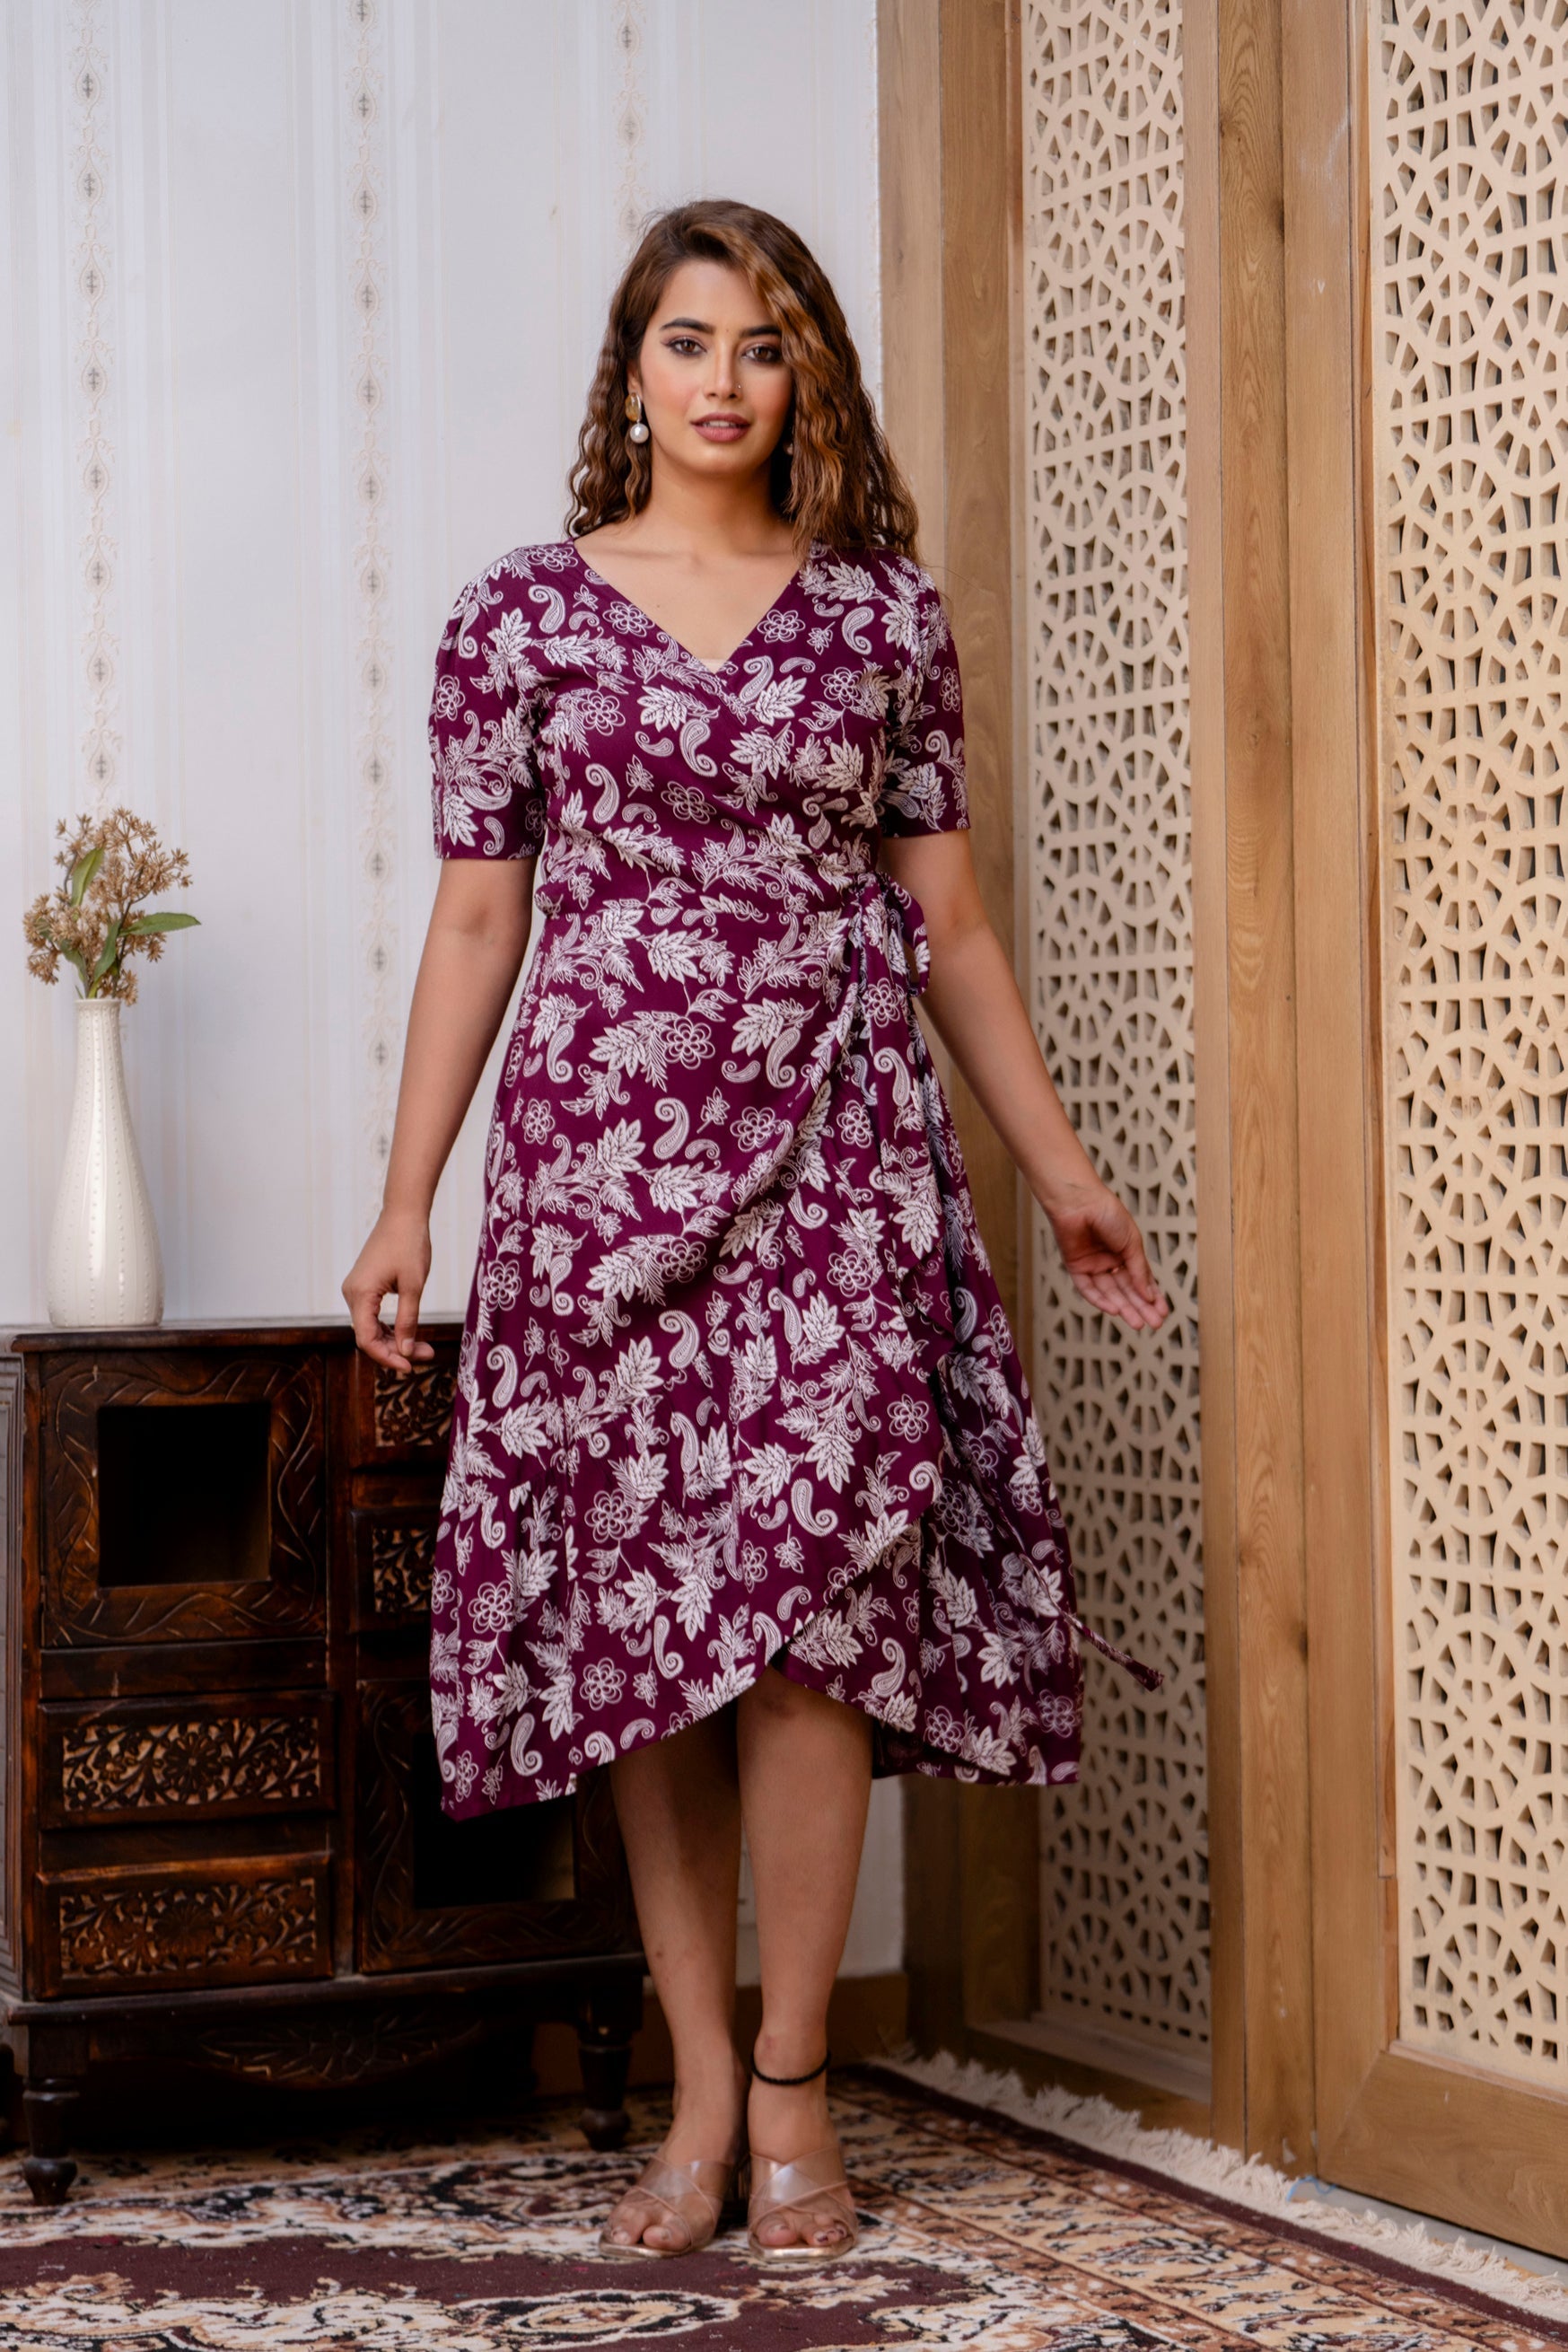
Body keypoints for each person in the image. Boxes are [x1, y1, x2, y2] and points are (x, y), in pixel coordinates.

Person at [342, 198, 1168, 2264]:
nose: (725, 379)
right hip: (598, 1174)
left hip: (832, 1151)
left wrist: (1058, 1166)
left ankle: (793, 2077)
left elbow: (946, 920)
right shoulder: (517, 617)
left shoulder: (884, 617)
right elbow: (477, 919)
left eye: (765, 345)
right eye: (689, 340)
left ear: (808, 381)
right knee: (646, 1635)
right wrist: (404, 1197)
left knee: (811, 1618)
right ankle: (699, 2080)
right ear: (632, 368)